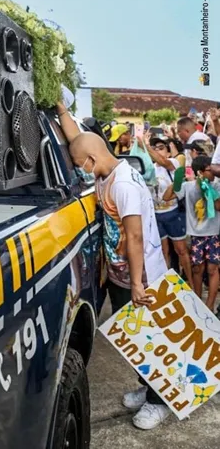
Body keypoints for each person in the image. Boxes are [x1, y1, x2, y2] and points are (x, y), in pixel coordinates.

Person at [56, 102, 169, 430]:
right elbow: (79, 139)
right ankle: (147, 387)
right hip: (119, 271)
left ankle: (158, 402)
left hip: (139, 274)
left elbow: (134, 237)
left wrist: (136, 284)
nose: (80, 170)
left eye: (81, 165)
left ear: (92, 160)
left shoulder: (122, 185)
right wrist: (62, 110)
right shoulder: (107, 172)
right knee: (132, 338)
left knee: (147, 337)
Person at [163, 156, 220, 312]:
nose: (214, 173)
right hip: (196, 235)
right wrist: (177, 180)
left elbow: (218, 207)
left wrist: (208, 191)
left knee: (212, 270)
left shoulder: (217, 185)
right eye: (210, 170)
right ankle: (198, 303)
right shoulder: (188, 187)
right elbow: (166, 197)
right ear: (200, 172)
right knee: (197, 269)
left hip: (214, 234)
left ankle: (210, 306)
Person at [142, 136, 192, 288]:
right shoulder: (149, 169)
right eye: (155, 148)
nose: (157, 151)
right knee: (164, 252)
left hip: (173, 213)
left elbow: (163, 161)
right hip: (157, 216)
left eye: (161, 148)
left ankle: (190, 282)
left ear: (169, 153)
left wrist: (145, 145)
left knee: (181, 250)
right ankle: (169, 284)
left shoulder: (174, 164)